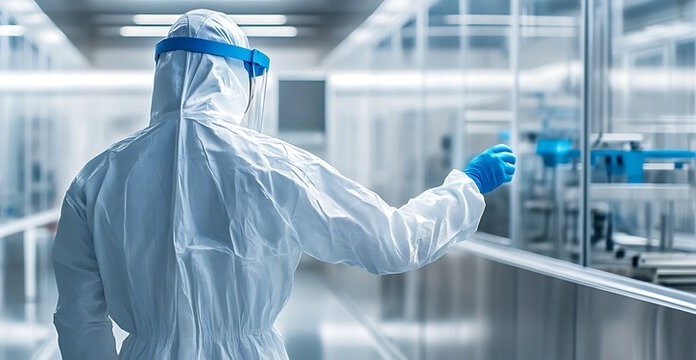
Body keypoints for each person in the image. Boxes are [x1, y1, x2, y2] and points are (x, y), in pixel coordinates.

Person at [52, 9, 515, 360]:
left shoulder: (96, 179)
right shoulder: (275, 168)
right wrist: (466, 187)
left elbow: (79, 319)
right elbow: (392, 242)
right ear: (238, 77)